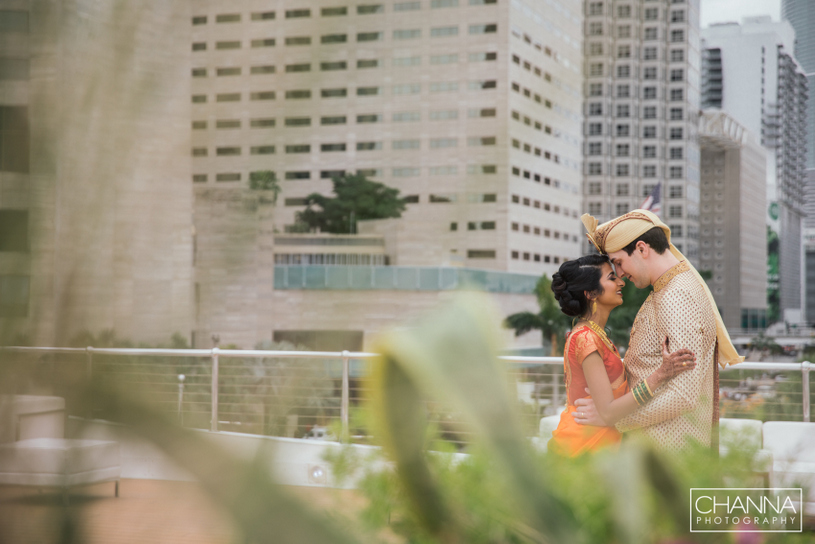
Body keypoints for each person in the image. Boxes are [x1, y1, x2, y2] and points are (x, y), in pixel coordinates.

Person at [573, 210, 743, 450]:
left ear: (642, 248)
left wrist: (613, 419)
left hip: (669, 452)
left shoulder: (677, 296)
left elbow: (683, 395)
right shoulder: (667, 290)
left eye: (619, 263)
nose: (620, 275)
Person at [547, 254, 696, 457]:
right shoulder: (586, 338)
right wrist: (661, 374)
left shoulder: (595, 334)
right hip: (583, 447)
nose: (621, 282)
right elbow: (608, 412)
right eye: (611, 277)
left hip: (601, 444)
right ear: (590, 293)